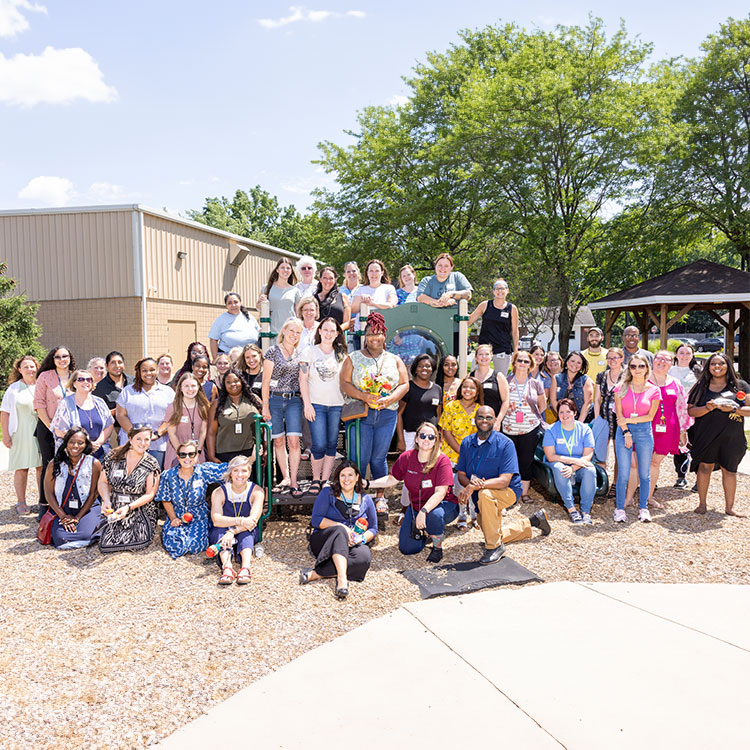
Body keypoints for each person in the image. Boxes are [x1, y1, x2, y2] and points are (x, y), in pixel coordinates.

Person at [457, 406, 551, 564]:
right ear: (475, 420)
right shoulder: (467, 443)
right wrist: (470, 485)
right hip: (480, 494)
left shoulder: (505, 444)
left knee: (485, 495)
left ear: (495, 421)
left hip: (507, 491)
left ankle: (494, 547)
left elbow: (505, 480)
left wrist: (475, 486)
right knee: (490, 530)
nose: (484, 421)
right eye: (481, 417)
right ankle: (533, 521)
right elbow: (461, 475)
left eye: (489, 417)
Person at [340, 312, 409, 517]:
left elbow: (404, 384)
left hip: (386, 415)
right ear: (365, 336)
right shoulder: (353, 358)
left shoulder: (394, 359)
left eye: (378, 334)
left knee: (379, 458)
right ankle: (355, 496)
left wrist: (389, 399)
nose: (374, 338)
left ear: (384, 335)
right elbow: (344, 384)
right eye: (370, 334)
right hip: (362, 415)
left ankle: (380, 496)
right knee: (358, 458)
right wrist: (363, 395)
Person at [370, 422, 457, 562]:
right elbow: (392, 480)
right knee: (407, 549)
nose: (426, 439)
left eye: (431, 437)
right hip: (415, 506)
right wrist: (368, 483)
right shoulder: (407, 457)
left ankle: (437, 546)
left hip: (443, 505)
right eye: (423, 436)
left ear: (436, 440)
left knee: (434, 515)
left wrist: (423, 512)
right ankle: (426, 531)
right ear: (416, 438)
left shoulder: (442, 460)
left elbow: (440, 493)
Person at [300, 461, 377, 599]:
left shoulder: (365, 499)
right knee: (339, 532)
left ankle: (315, 574)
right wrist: (343, 527)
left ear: (357, 477)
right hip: (324, 541)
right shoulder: (327, 493)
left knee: (364, 558)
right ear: (338, 477)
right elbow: (316, 520)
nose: (346, 479)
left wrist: (362, 538)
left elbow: (373, 528)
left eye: (350, 475)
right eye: (343, 475)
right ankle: (342, 580)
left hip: (351, 542)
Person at [687, 352, 749, 516]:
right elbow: (691, 411)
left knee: (729, 470)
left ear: (728, 366)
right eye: (713, 364)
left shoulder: (740, 386)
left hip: (732, 437)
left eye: (721, 363)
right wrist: (707, 408)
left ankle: (729, 508)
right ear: (708, 367)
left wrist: (734, 408)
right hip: (706, 435)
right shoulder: (701, 387)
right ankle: (702, 504)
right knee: (704, 468)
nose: (717, 367)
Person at [155, 440, 228, 559]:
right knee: (175, 544)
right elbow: (165, 499)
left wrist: (251, 458)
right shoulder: (168, 475)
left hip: (199, 516)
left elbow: (228, 469)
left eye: (191, 454)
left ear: (197, 456)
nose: (187, 458)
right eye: (183, 455)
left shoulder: (203, 471)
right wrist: (173, 518)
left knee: (195, 545)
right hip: (177, 515)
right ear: (178, 457)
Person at [299, 317, 347, 492]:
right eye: (325, 330)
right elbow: (302, 378)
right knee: (318, 444)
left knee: (331, 443)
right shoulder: (309, 352)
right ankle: (315, 479)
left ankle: (325, 480)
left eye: (332, 331)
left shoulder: (342, 354)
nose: (328, 334)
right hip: (316, 404)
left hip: (336, 405)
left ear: (337, 334)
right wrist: (307, 404)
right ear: (319, 331)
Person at [97, 425, 161, 552]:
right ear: (130, 439)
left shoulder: (152, 463)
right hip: (115, 506)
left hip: (139, 508)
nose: (143, 443)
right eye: (139, 439)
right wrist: (106, 500)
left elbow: (150, 494)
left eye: (147, 440)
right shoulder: (113, 457)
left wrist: (128, 507)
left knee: (138, 541)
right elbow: (103, 482)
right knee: (106, 545)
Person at [613, 354, 661, 523]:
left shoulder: (654, 390)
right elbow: (619, 415)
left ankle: (644, 508)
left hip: (644, 433)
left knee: (644, 474)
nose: (637, 369)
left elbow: (650, 417)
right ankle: (619, 508)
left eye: (641, 366)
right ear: (629, 369)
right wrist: (626, 430)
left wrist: (628, 420)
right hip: (623, 432)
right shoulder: (621, 388)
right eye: (633, 366)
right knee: (624, 474)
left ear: (647, 368)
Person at [645, 350, 693, 509]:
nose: (662, 362)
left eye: (666, 359)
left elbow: (682, 407)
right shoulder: (643, 380)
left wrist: (683, 430)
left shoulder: (676, 383)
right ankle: (631, 495)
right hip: (645, 426)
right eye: (659, 358)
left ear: (671, 364)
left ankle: (648, 497)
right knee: (640, 461)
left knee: (655, 462)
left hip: (668, 429)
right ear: (653, 361)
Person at [262, 318, 304, 496]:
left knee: (293, 442)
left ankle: (294, 480)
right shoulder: (272, 351)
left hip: (294, 400)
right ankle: (285, 477)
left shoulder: (301, 354)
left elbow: (304, 380)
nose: (294, 335)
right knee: (278, 441)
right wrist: (265, 406)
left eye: (298, 332)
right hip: (275, 400)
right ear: (284, 331)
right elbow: (265, 382)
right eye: (291, 331)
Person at [209, 456, 265, 585]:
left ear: (249, 472)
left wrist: (232, 532)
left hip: (245, 530)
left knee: (247, 533)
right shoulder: (219, 492)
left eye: (244, 471)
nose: (240, 474)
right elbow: (217, 519)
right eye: (236, 471)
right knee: (219, 531)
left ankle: (245, 567)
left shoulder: (257, 491)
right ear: (230, 472)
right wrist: (240, 521)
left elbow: (252, 521)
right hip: (223, 529)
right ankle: (227, 567)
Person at [33, 346, 76, 512]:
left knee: (71, 465)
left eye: (65, 356)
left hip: (72, 430)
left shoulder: (76, 376)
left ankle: (68, 501)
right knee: (50, 465)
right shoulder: (45, 376)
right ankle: (46, 505)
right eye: (58, 357)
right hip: (48, 428)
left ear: (70, 357)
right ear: (53, 359)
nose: (62, 359)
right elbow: (39, 404)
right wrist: (52, 427)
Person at [43, 428, 102, 549]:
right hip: (62, 508)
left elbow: (93, 494)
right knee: (60, 537)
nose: (75, 446)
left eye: (80, 443)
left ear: (86, 445)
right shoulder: (55, 463)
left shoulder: (94, 463)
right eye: (72, 442)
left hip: (86, 508)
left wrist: (77, 518)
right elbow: (48, 493)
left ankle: (85, 535)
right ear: (66, 443)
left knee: (87, 534)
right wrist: (63, 516)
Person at [543, 398, 597, 524]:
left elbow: (588, 455)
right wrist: (572, 461)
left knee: (590, 469)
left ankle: (585, 511)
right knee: (559, 468)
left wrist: (573, 467)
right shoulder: (551, 430)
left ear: (574, 413)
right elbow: (551, 456)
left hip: (577, 467)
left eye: (568, 411)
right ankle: (572, 509)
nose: (564, 415)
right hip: (559, 464)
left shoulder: (585, 430)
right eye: (561, 412)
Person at [502, 351, 547, 503]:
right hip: (508, 429)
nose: (522, 363)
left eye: (526, 361)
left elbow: (542, 404)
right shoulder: (506, 381)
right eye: (519, 360)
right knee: (508, 462)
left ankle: (524, 493)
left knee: (526, 461)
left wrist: (530, 416)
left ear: (531, 365)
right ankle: (509, 493)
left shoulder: (536, 383)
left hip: (529, 429)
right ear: (514, 362)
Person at [115, 357, 175, 470]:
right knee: (131, 478)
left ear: (157, 370)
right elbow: (120, 415)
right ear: (139, 372)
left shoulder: (168, 392)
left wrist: (157, 434)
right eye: (144, 370)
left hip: (158, 445)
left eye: (152, 370)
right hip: (131, 445)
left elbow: (172, 417)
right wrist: (136, 435)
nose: (149, 373)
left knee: (154, 478)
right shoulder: (128, 391)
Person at [439, 376, 483, 529]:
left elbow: (482, 435)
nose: (468, 390)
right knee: (457, 487)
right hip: (451, 453)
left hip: (474, 455)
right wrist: (460, 451)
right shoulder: (451, 406)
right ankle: (461, 515)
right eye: (465, 387)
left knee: (472, 485)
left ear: (477, 392)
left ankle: (474, 515)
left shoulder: (480, 410)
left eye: (472, 388)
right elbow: (446, 431)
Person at [1, 355, 42, 514]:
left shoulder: (41, 385)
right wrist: (6, 435)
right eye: (26, 367)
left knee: (41, 467)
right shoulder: (13, 389)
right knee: (22, 468)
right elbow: (4, 413)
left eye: (32, 366)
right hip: (20, 432)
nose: (30, 369)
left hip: (39, 432)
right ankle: (21, 502)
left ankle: (42, 501)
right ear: (19, 370)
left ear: (37, 367)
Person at [50, 369, 114, 459]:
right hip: (75, 455)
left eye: (89, 380)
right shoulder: (65, 403)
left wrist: (97, 443)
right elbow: (59, 430)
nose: (85, 382)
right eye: (81, 379)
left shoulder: (100, 402)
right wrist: (85, 443)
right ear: (74, 383)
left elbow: (109, 425)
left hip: (100, 454)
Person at [206, 369, 262, 463]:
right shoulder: (217, 404)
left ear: (242, 382)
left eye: (236, 381)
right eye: (228, 382)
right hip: (224, 455)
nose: (233, 384)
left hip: (250, 453)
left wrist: (265, 449)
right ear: (224, 384)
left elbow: (263, 427)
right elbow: (211, 432)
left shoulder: (254, 400)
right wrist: (211, 456)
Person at [467, 278, 517, 375]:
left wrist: (515, 351)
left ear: (507, 291)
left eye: (503, 288)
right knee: (475, 376)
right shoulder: (485, 305)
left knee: (500, 378)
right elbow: (469, 320)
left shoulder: (512, 308)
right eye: (497, 288)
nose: (500, 291)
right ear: (493, 291)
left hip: (502, 349)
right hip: (484, 347)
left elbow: (515, 332)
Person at [592, 347, 624, 494]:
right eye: (609, 358)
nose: (612, 361)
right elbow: (597, 398)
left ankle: (616, 484)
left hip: (620, 418)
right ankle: (601, 481)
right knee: (600, 452)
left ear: (621, 359)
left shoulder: (627, 376)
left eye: (615, 358)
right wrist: (598, 418)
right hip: (604, 416)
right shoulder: (602, 376)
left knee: (619, 452)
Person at [669, 344, 701, 488]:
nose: (684, 356)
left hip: (693, 413)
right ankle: (681, 476)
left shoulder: (698, 372)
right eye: (681, 353)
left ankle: (699, 478)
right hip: (675, 414)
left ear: (692, 355)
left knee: (696, 444)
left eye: (688, 353)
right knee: (680, 445)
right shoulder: (670, 371)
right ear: (676, 355)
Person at [164, 373, 210, 469]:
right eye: (186, 386)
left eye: (193, 386)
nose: (190, 389)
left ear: (198, 387)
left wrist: (197, 452)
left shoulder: (203, 407)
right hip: (177, 451)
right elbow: (172, 434)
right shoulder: (173, 407)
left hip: (197, 452)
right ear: (180, 388)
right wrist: (183, 454)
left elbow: (203, 432)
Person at [397, 354, 442, 452]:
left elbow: (438, 416)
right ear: (415, 369)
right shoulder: (408, 387)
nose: (424, 369)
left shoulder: (437, 389)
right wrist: (401, 440)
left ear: (432, 369)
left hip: (431, 437)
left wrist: (439, 436)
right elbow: (398, 414)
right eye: (420, 366)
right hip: (411, 436)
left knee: (430, 466)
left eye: (428, 366)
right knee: (411, 466)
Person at [94, 351, 133, 449]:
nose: (117, 365)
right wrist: (118, 410)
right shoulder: (100, 388)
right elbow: (98, 413)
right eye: (113, 363)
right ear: (107, 366)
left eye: (120, 362)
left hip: (135, 426)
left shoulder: (133, 382)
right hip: (114, 430)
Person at [208, 292, 261, 361]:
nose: (233, 305)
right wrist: (215, 358)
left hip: (250, 358)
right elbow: (213, 340)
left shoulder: (249, 317)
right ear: (226, 305)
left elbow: (259, 331)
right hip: (229, 358)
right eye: (229, 303)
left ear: (240, 303)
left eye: (236, 302)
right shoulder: (220, 320)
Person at [469, 344, 510, 430]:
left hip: (493, 424)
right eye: (480, 354)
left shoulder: (499, 376)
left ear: (491, 356)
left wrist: (498, 421)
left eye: (487, 354)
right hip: (474, 424)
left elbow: (506, 401)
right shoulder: (470, 377)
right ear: (475, 357)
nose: (484, 357)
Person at [350, 259, 398, 333]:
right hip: (362, 332)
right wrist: (361, 298)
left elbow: (391, 304)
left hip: (383, 332)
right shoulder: (360, 290)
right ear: (367, 273)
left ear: (382, 273)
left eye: (377, 271)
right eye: (371, 271)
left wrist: (373, 304)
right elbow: (353, 309)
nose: (374, 274)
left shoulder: (389, 288)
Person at [257, 257, 301, 335]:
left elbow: (298, 314)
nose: (285, 270)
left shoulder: (295, 291)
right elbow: (258, 308)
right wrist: (260, 302)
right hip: (272, 332)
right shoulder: (266, 288)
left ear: (291, 271)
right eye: (282, 267)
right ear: (277, 270)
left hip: (290, 332)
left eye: (288, 268)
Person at [550, 351, 594, 423]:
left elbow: (587, 403)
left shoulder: (586, 380)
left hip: (584, 419)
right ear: (567, 362)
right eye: (572, 361)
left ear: (581, 366)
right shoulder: (557, 378)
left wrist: (579, 424)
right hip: (563, 419)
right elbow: (553, 399)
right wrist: (563, 416)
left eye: (579, 363)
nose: (575, 364)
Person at [315, 266, 351, 330]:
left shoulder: (343, 298)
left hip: (337, 335)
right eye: (325, 278)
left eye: (331, 278)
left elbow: (347, 322)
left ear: (335, 280)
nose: (328, 281)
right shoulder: (313, 299)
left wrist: (335, 331)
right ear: (320, 279)